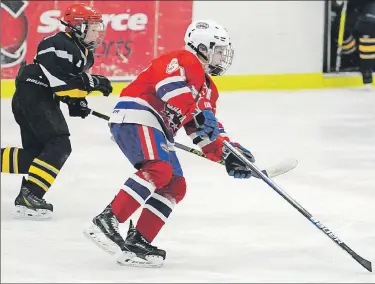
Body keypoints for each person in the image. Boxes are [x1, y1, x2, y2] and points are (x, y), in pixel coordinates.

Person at [84, 19, 255, 267]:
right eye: (217, 50)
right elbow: (168, 87)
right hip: (138, 114)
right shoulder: (183, 60)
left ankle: (137, 243)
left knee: (175, 185)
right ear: (202, 47)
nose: (221, 57)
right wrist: (196, 112)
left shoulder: (209, 90)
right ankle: (105, 221)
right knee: (159, 169)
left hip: (159, 128)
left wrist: (228, 153)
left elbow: (202, 132)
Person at [0, 3, 113, 219]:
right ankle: (30, 195)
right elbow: (60, 82)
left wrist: (76, 103)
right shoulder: (55, 43)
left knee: (38, 157)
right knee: (59, 146)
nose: (98, 31)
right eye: (94, 26)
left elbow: (67, 90)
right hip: (33, 96)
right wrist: (92, 82)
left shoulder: (85, 53)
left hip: (42, 99)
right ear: (78, 26)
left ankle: (29, 193)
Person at [338, 0, 375, 85]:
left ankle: (367, 71)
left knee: (368, 26)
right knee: (339, 30)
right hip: (353, 3)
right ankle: (354, 59)